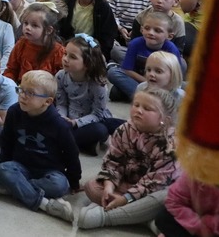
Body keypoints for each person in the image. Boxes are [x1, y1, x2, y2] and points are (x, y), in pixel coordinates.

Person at [77, 83, 180, 229]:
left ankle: (106, 217)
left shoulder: (171, 145)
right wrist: (109, 187)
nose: (138, 110)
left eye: (147, 108)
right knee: (91, 186)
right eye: (136, 105)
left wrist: (126, 199)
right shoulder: (125, 129)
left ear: (166, 120)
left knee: (166, 198)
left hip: (155, 191)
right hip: (128, 184)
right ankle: (144, 219)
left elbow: (155, 183)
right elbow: (112, 161)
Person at [0, 69, 80, 223]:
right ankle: (45, 204)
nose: (22, 95)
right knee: (3, 170)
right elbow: (7, 140)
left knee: (60, 185)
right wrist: (3, 164)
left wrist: (75, 180)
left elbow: (71, 153)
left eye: (30, 93)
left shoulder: (59, 124)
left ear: (47, 101)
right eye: (21, 89)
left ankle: (8, 188)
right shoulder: (14, 112)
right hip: (21, 166)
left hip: (49, 171)